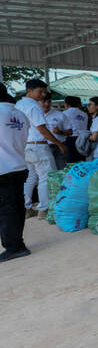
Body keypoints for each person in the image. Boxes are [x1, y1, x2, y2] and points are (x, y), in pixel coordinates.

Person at [16, 79, 67, 219]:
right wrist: (59, 143)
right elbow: (42, 129)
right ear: (29, 90)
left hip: (26, 146)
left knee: (31, 178)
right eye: (40, 91)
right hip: (38, 145)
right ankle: (44, 209)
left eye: (44, 92)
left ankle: (27, 208)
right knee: (46, 177)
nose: (43, 94)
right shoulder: (33, 106)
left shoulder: (19, 104)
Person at [0, 84, 30, 262]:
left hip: (2, 169)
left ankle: (14, 247)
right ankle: (17, 243)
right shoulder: (20, 115)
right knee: (17, 207)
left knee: (6, 210)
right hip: (19, 166)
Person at [41, 96, 72, 170]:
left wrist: (60, 132)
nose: (47, 104)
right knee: (47, 171)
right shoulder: (34, 115)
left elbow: (70, 132)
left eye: (49, 102)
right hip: (43, 147)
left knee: (62, 170)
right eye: (44, 102)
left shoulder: (60, 114)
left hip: (60, 147)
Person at [62, 96, 88, 163]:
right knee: (81, 161)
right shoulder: (84, 114)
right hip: (83, 139)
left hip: (70, 139)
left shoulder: (64, 113)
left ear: (67, 104)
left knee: (71, 162)